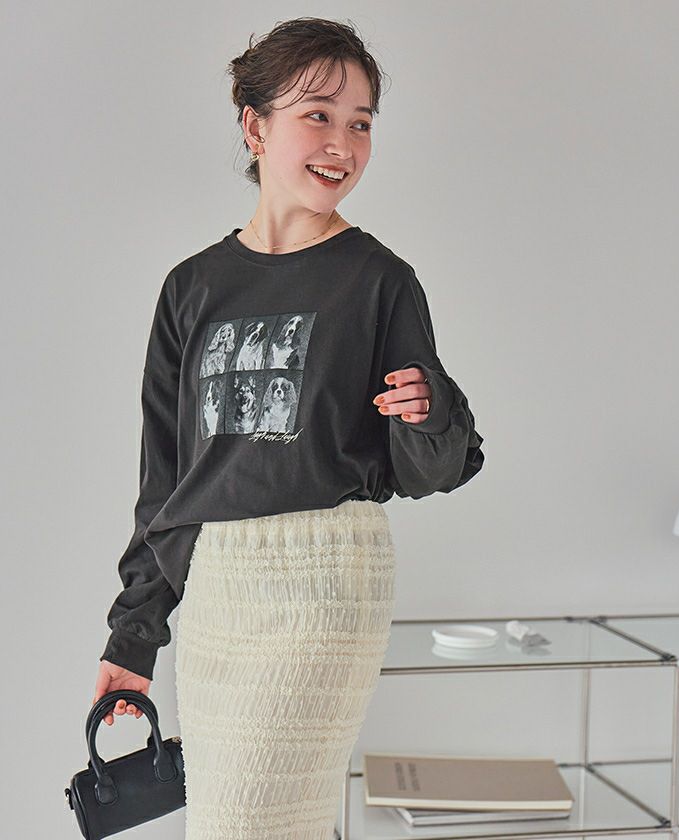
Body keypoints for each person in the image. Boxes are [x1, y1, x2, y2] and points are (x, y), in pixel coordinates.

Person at [92, 16, 485, 840]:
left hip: (324, 581)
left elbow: (433, 469)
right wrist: (134, 637)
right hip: (219, 591)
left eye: (361, 123)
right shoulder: (192, 288)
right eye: (318, 115)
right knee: (262, 822)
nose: (343, 143)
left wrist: (430, 410)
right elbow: (167, 480)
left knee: (247, 823)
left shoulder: (378, 281)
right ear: (255, 125)